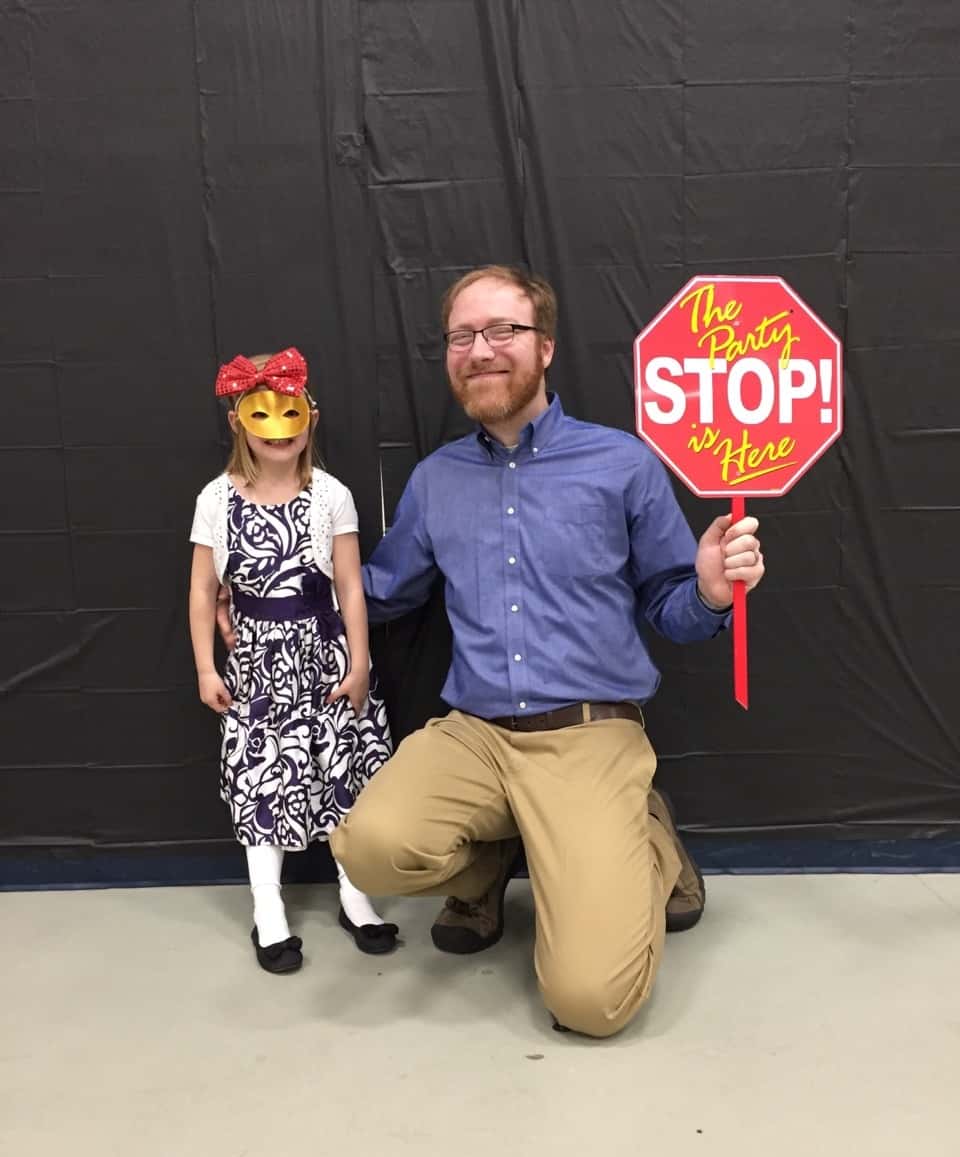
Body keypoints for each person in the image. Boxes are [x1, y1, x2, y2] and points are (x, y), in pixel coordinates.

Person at [327, 266, 765, 1036]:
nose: (480, 350)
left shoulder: (621, 464)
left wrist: (710, 591)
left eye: (503, 330)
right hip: (476, 736)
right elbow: (384, 591)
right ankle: (494, 857)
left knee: (590, 1004)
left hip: (589, 736)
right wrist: (274, 592)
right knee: (369, 850)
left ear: (546, 347)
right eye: (462, 336)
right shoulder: (436, 479)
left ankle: (649, 842)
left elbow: (675, 611)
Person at [189, 347, 396, 974]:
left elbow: (351, 587)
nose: (278, 430)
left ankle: (355, 894)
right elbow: (202, 590)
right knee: (262, 779)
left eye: (291, 413)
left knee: (343, 771)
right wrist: (206, 668)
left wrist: (359, 664)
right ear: (238, 422)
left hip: (325, 657)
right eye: (261, 415)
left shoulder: (331, 495)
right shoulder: (215, 500)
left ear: (312, 417)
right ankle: (268, 907)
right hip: (257, 665)